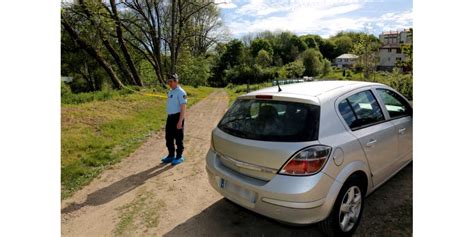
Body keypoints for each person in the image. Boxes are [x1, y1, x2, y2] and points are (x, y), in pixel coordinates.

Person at [161, 74, 187, 165]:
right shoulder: (171, 91)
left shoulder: (181, 92)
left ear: (176, 81)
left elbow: (183, 108)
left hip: (178, 117)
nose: (169, 83)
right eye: (168, 82)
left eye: (171, 81)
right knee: (168, 137)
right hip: (170, 117)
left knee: (178, 137)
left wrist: (180, 121)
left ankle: (179, 156)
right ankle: (171, 155)